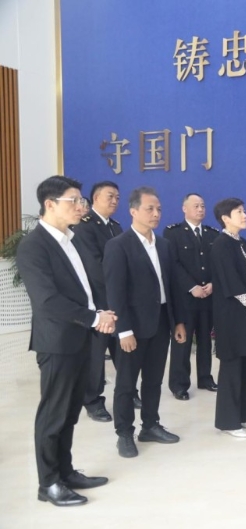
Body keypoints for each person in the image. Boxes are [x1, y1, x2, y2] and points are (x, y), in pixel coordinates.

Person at [16, 176, 116, 507]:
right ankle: (48, 484)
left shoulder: (70, 239)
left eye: (80, 200)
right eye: (73, 200)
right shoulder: (34, 246)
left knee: (71, 411)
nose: (80, 206)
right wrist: (93, 318)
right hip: (57, 341)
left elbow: (82, 290)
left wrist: (98, 312)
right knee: (54, 414)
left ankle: (65, 472)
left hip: (80, 337)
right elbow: (47, 301)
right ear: (49, 204)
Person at [104, 186, 187, 458]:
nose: (156, 214)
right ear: (133, 211)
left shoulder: (163, 244)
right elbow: (115, 292)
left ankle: (150, 425)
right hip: (133, 326)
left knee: (153, 380)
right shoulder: (118, 245)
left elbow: (172, 287)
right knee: (126, 384)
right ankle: (124, 433)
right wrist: (123, 330)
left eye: (159, 209)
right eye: (150, 208)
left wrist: (178, 322)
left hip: (161, 321)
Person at [70, 180, 127, 422]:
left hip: (118, 300)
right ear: (95, 198)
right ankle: (92, 401)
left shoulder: (115, 226)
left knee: (123, 350)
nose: (114, 201)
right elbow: (95, 267)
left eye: (117, 197)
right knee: (96, 356)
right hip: (98, 302)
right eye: (109, 196)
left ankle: (127, 392)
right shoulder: (84, 226)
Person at [210, 198, 246, 438]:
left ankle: (242, 416)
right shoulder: (220, 245)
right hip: (231, 314)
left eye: (244, 211)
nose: (244, 215)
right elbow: (232, 283)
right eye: (238, 212)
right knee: (232, 365)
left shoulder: (242, 242)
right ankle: (229, 422)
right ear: (225, 218)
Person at [164, 193, 219, 400]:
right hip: (185, 299)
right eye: (196, 206)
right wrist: (191, 286)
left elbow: (217, 263)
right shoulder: (173, 233)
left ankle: (205, 378)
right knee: (183, 343)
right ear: (184, 209)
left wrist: (212, 283)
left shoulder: (212, 234)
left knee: (205, 340)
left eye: (203, 206)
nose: (200, 209)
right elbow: (173, 264)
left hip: (208, 297)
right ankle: (179, 384)